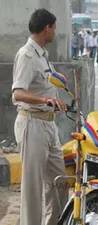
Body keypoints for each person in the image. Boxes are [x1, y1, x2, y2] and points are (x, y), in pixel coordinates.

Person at [12, 8, 69, 225]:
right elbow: (18, 93)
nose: (55, 33)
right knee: (33, 188)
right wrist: (45, 101)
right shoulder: (27, 55)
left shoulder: (43, 56)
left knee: (59, 182)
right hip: (32, 124)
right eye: (54, 28)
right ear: (48, 28)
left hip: (48, 125)